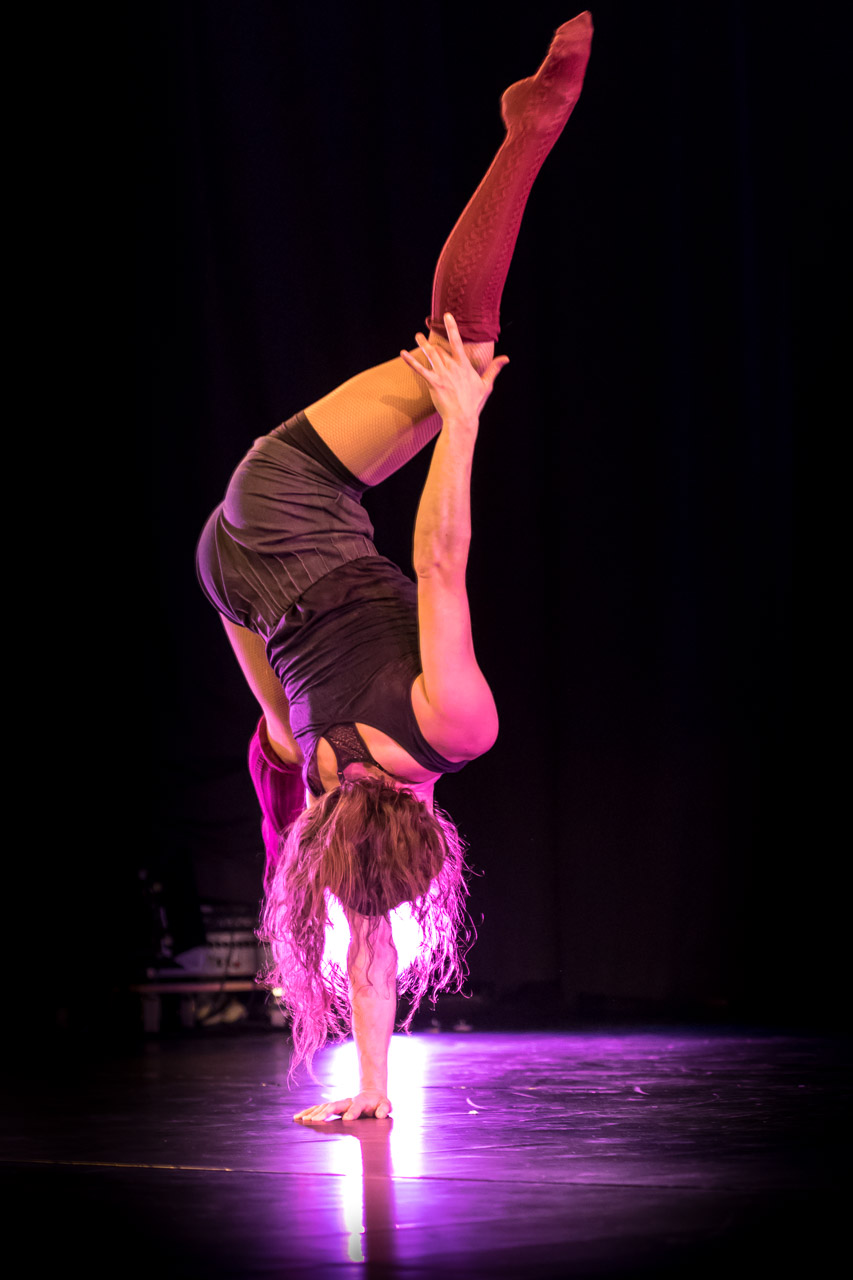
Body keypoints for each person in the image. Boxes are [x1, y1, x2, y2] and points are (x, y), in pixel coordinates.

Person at [196, 12, 594, 1121]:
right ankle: (524, 131)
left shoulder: (453, 730)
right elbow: (362, 942)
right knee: (277, 725)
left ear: (432, 830)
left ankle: (528, 129)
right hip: (231, 582)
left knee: (462, 346)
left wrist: (463, 420)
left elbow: (440, 560)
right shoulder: (321, 785)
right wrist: (370, 1090)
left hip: (286, 513)